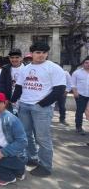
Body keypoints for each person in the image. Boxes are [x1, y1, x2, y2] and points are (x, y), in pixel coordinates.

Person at [11, 42, 66, 177]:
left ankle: (45, 166)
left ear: (47, 53)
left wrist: (41, 104)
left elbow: (59, 89)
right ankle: (32, 157)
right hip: (24, 105)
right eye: (37, 52)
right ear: (32, 54)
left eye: (43, 52)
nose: (40, 55)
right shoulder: (25, 68)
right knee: (26, 134)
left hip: (42, 108)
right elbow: (19, 87)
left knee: (42, 137)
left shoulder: (53, 68)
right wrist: (12, 100)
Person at [0, 48, 24, 113]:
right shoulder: (5, 68)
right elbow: (2, 84)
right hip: (9, 100)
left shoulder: (26, 68)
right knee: (9, 120)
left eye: (17, 57)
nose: (14, 59)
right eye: (12, 57)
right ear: (9, 58)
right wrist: (5, 98)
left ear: (21, 58)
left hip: (23, 100)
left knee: (22, 121)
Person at [71, 56, 89, 134]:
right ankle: (78, 127)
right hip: (80, 95)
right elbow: (73, 84)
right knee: (80, 111)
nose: (88, 64)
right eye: (86, 63)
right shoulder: (77, 72)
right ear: (83, 64)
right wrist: (75, 92)